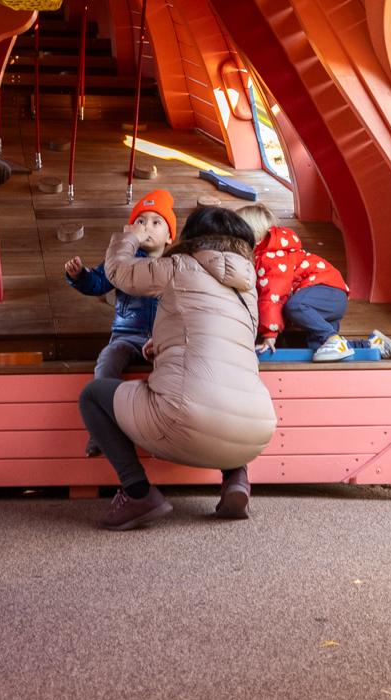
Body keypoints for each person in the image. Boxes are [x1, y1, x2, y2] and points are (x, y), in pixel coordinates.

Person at [77, 204, 274, 528]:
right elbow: (216, 337)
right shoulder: (247, 287)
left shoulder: (178, 265)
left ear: (190, 238)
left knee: (94, 394)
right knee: (226, 388)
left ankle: (137, 493)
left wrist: (129, 237)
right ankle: (236, 479)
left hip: (185, 419)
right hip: (256, 429)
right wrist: (165, 343)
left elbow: (119, 273)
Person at [63, 189, 175, 385]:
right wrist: (80, 275)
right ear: (130, 230)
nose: (146, 227)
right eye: (140, 222)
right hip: (127, 335)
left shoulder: (174, 264)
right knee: (109, 357)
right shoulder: (123, 260)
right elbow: (98, 282)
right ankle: (103, 394)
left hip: (164, 339)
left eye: (156, 222)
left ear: (169, 237)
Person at [236, 202, 356, 360]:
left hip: (326, 290)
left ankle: (332, 339)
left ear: (252, 236)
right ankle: (373, 346)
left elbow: (273, 294)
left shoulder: (271, 258)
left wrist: (270, 334)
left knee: (296, 306)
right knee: (317, 348)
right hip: (330, 298)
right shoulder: (272, 255)